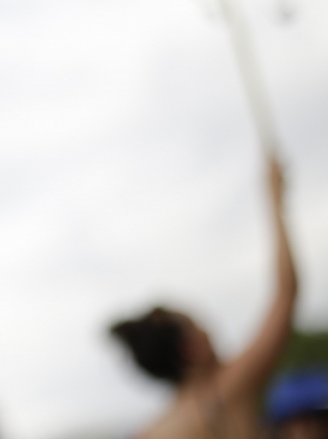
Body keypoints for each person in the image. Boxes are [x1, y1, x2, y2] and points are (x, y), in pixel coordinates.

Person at [109, 155, 298, 439]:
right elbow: (286, 292)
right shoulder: (229, 389)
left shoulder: (150, 433)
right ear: (192, 347)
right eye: (201, 327)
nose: (211, 333)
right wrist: (274, 198)